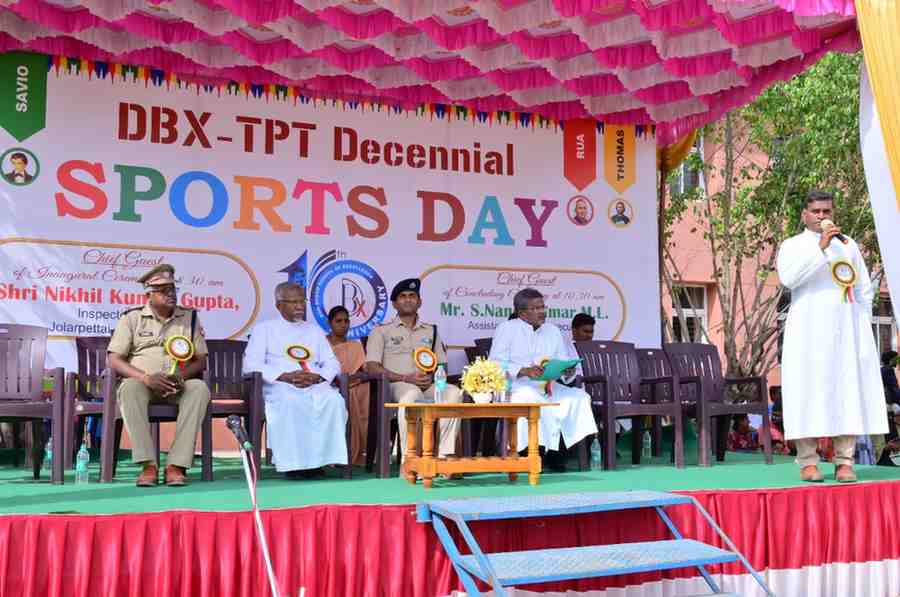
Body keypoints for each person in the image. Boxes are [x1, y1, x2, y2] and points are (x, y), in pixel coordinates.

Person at [776, 190, 886, 483]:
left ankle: (844, 461)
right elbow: (789, 279)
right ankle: (808, 462)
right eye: (816, 212)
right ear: (805, 214)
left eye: (827, 211)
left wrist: (861, 322)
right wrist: (820, 249)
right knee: (807, 392)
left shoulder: (848, 245)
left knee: (846, 391)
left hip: (845, 331)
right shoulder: (793, 245)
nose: (822, 217)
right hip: (808, 331)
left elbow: (863, 287)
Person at [107, 264, 210, 487]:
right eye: (163, 291)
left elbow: (201, 360)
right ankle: (148, 465)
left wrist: (181, 376)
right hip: (144, 384)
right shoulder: (132, 318)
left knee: (199, 389)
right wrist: (146, 378)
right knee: (128, 388)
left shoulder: (190, 318)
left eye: (173, 289)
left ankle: (176, 465)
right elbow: (114, 359)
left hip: (177, 386)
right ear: (149, 295)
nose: (171, 294)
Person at [243, 282, 347, 479]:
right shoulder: (264, 329)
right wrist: (285, 377)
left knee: (334, 401)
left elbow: (332, 362)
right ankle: (293, 465)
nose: (300, 306)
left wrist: (318, 377)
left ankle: (320, 461)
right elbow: (250, 364)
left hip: (314, 384)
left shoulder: (314, 330)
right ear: (279, 305)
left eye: (302, 301)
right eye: (294, 302)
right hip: (280, 385)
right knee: (292, 401)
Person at [489, 288, 597, 471]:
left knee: (578, 397)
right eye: (536, 308)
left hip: (548, 385)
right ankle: (530, 453)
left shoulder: (552, 331)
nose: (542, 312)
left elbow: (562, 361)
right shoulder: (507, 329)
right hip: (516, 386)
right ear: (522, 313)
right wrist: (524, 371)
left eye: (543, 307)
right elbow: (495, 363)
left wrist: (567, 371)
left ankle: (559, 453)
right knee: (530, 396)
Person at [365, 278, 462, 476]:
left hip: (427, 384)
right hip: (397, 385)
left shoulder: (431, 330)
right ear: (394, 304)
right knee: (412, 395)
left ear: (420, 302)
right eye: (402, 296)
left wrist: (433, 378)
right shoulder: (381, 330)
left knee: (454, 393)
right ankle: (411, 460)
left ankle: (444, 457)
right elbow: (372, 367)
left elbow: (441, 364)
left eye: (412, 296)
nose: (408, 299)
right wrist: (405, 378)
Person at [326, 305, 369, 466]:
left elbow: (364, 369)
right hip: (328, 385)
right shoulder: (322, 344)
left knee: (362, 390)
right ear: (330, 323)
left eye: (346, 321)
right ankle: (334, 454)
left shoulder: (355, 345)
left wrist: (351, 381)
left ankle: (358, 451)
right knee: (342, 395)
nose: (343, 325)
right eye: (338, 321)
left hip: (353, 383)